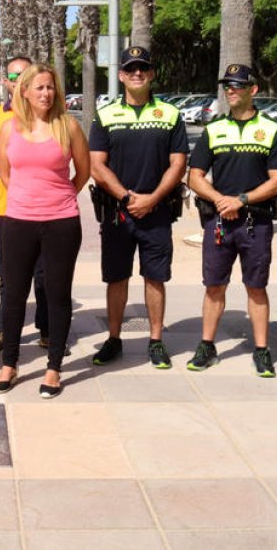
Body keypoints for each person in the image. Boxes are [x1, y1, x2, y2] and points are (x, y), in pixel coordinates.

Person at [0, 65, 89, 399]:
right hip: (18, 221)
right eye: (39, 87)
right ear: (26, 92)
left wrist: (57, 199)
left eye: (50, 87)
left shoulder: (68, 126)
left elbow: (83, 173)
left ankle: (53, 368)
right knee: (15, 293)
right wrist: (28, 199)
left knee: (57, 294)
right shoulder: (9, 129)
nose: (45, 93)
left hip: (61, 222)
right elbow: (5, 174)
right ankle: (9, 364)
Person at [185, 64, 277, 377]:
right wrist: (220, 200)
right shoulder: (214, 129)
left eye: (238, 86)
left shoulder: (271, 130)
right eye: (228, 86)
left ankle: (261, 349)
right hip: (219, 222)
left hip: (255, 223)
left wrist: (241, 200)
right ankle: (207, 346)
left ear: (253, 90)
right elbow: (195, 176)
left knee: (256, 287)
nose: (231, 91)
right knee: (214, 286)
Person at [88, 47, 188, 369]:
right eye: (131, 69)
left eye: (143, 68)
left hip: (157, 212)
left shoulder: (171, 115)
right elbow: (96, 165)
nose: (137, 74)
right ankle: (114, 339)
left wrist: (153, 198)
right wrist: (128, 198)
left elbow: (178, 164)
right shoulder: (105, 116)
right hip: (118, 213)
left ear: (151, 73)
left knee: (155, 278)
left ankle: (156, 341)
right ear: (121, 75)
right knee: (116, 278)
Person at [0, 56, 53, 353]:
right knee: (8, 274)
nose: (19, 80)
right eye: (14, 75)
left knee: (44, 274)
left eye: (26, 75)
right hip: (6, 210)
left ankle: (47, 330)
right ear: (6, 81)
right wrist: (2, 177)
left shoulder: (48, 119)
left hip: (44, 211)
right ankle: (3, 329)